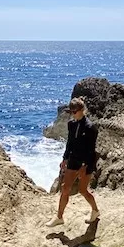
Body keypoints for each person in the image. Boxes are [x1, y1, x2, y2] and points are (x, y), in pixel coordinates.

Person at [46, 97, 100, 227]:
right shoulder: (71, 124)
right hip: (73, 160)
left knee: (82, 190)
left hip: (86, 162)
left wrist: (84, 166)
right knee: (65, 188)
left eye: (74, 112)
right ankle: (59, 217)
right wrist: (64, 159)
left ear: (82, 110)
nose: (72, 114)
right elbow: (69, 143)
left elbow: (91, 150)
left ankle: (95, 211)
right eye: (71, 112)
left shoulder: (90, 127)